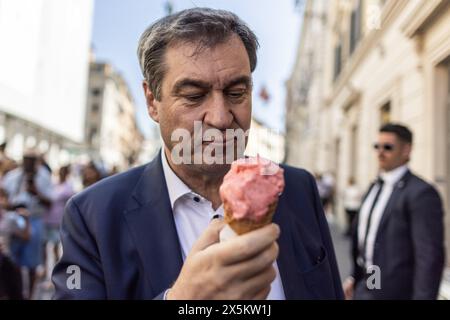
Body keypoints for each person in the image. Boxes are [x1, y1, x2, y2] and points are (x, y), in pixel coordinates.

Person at [52, 8, 343, 300]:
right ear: (152, 101)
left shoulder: (297, 188)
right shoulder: (93, 216)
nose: (219, 118)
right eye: (193, 96)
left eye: (236, 92)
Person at [343, 123, 445, 300]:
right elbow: (368, 240)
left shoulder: (421, 193)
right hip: (367, 287)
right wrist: (356, 277)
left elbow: (429, 258)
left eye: (388, 147)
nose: (380, 152)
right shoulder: (374, 186)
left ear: (406, 150)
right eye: (377, 146)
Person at [2, 149, 54, 298]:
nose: (29, 163)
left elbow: (50, 202)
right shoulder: (13, 176)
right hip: (14, 219)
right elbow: (5, 198)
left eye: (32, 160)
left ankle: (30, 295)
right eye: (26, 159)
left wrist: (36, 191)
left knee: (31, 263)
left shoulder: (44, 177)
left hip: (34, 220)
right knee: (12, 260)